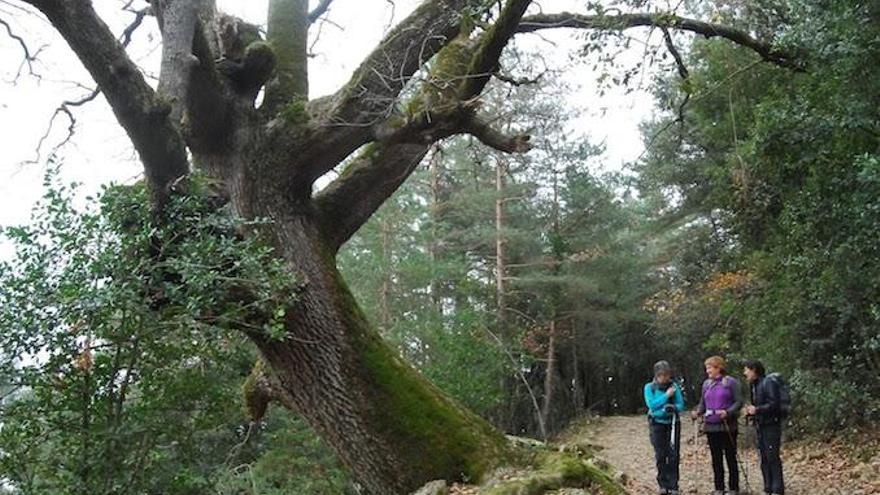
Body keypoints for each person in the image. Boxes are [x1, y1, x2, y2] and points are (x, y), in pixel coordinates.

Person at [692, 356, 742, 495]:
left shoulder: (731, 382)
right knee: (716, 458)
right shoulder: (706, 384)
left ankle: (733, 487)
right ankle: (719, 487)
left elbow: (739, 402)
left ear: (718, 367)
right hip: (711, 426)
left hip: (727, 425)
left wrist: (728, 412)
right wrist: (697, 412)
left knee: (731, 456)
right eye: (706, 367)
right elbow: (703, 402)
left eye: (710, 367)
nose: (707, 370)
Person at [644, 360, 685, 495]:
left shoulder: (674, 387)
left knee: (673, 455)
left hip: (673, 423)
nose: (664, 378)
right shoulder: (649, 387)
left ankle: (673, 485)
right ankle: (663, 484)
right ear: (656, 375)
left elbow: (681, 405)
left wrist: (672, 407)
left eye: (666, 375)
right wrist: (666, 396)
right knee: (660, 455)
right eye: (661, 375)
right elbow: (652, 405)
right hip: (657, 424)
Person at [744, 360, 785, 495]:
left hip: (771, 424)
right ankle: (768, 487)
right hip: (760, 424)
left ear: (754, 369)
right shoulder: (754, 385)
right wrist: (752, 413)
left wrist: (757, 409)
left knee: (772, 455)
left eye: (747, 370)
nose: (745, 373)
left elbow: (774, 404)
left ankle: (777, 488)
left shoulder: (768, 382)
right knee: (764, 456)